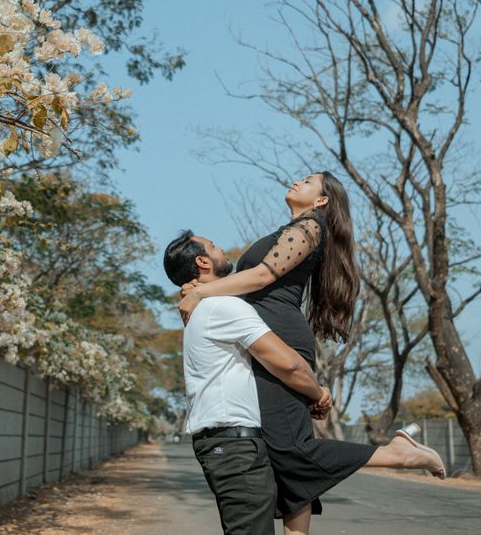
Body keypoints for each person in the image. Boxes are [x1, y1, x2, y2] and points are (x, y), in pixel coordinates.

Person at [179, 172, 446, 535]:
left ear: (321, 200)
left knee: (290, 445)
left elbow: (260, 278)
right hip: (264, 335)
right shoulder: (289, 229)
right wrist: (201, 289)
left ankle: (400, 454)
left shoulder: (310, 228)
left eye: (307, 182)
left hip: (280, 337)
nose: (296, 182)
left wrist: (201, 294)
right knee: (279, 448)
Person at [163, 230, 332, 535]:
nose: (222, 247)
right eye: (214, 246)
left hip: (225, 445)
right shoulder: (223, 307)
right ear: (203, 261)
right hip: (235, 448)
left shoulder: (205, 306)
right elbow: (288, 364)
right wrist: (318, 394)